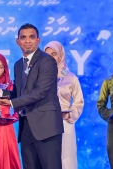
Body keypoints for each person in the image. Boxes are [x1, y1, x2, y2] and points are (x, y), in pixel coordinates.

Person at [0, 23, 64, 169]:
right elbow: (18, 92)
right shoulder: (18, 64)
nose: (27, 41)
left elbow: (40, 91)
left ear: (38, 40)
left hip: (46, 126)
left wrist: (11, 103)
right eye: (23, 37)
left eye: (31, 37)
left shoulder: (47, 61)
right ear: (18, 41)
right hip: (26, 127)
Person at [44, 41, 84, 169]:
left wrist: (70, 115)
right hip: (45, 123)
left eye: (54, 54)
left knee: (66, 158)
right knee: (47, 159)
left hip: (65, 123)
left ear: (61, 55)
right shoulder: (40, 77)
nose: (50, 57)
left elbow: (79, 102)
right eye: (47, 54)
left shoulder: (71, 78)